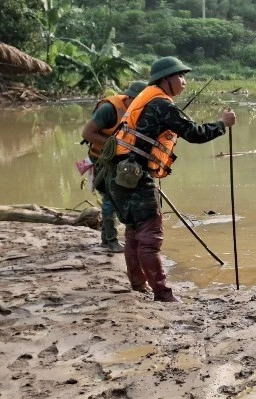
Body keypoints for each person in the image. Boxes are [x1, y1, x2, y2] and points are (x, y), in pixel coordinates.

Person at [106, 57, 236, 303]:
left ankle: (137, 284)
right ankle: (163, 294)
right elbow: (195, 134)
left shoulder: (147, 98)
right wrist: (222, 124)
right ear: (165, 80)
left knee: (134, 231)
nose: (184, 82)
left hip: (119, 174)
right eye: (180, 76)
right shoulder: (161, 105)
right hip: (134, 176)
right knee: (149, 234)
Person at [80, 81, 147, 253]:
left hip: (120, 160)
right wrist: (116, 147)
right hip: (101, 160)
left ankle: (106, 238)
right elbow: (87, 133)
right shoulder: (109, 110)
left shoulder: (140, 111)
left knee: (117, 198)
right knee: (111, 199)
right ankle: (111, 240)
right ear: (130, 98)